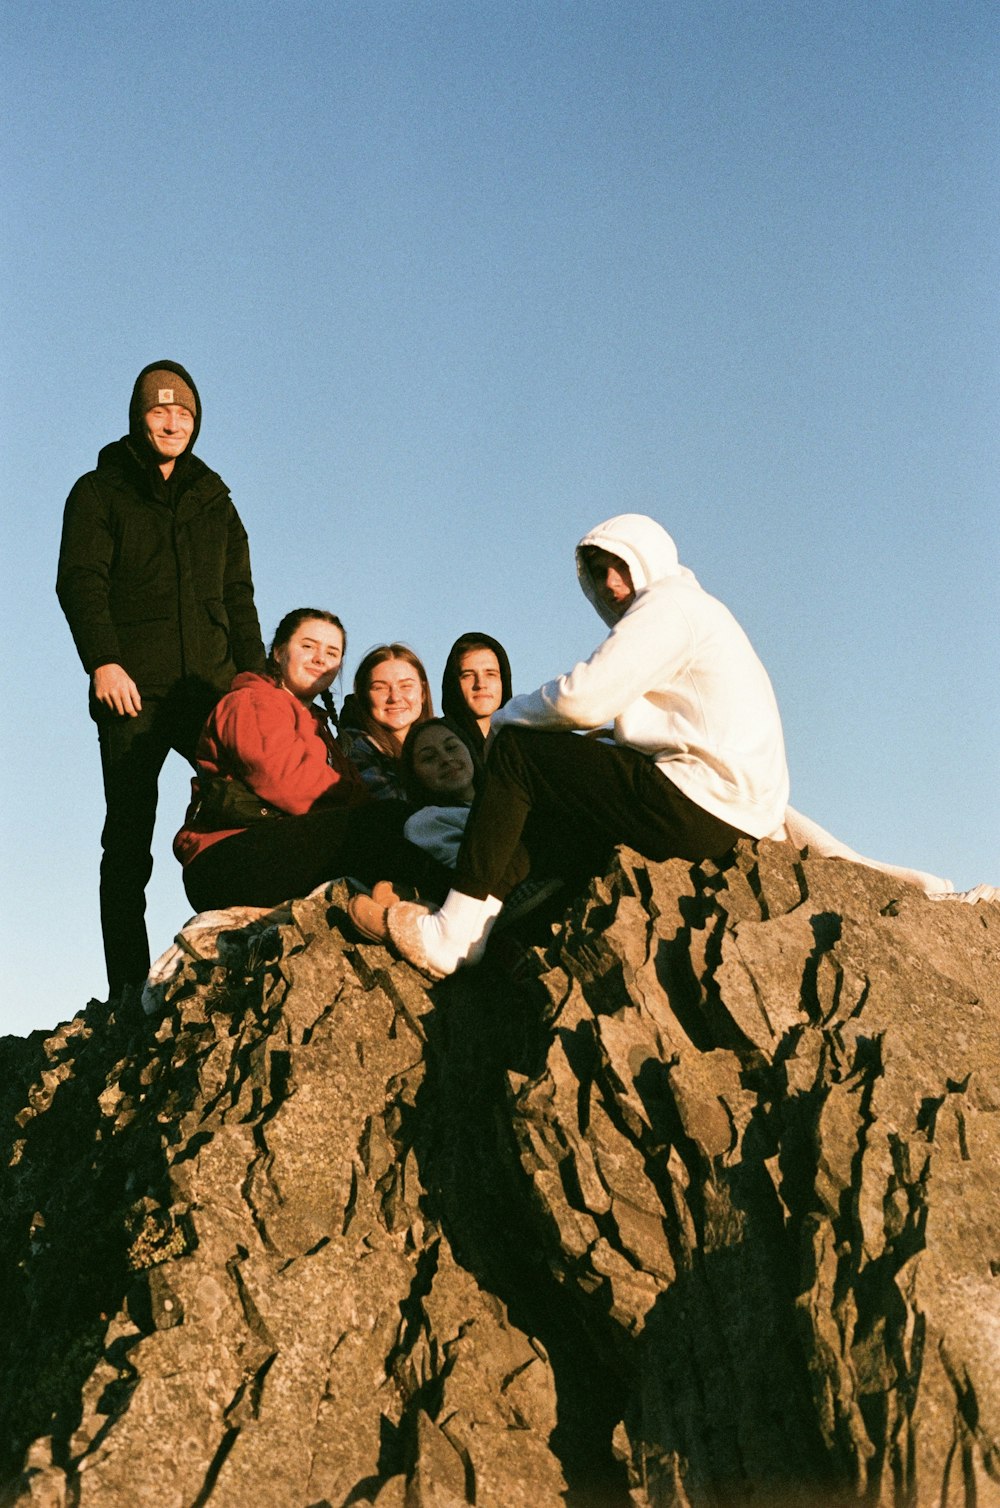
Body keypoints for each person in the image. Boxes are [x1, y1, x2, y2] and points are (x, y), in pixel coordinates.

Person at [385, 514, 791, 978]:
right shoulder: (694, 612)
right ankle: (492, 919)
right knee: (559, 802)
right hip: (729, 819)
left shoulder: (671, 604)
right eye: (597, 573)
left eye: (620, 566)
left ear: (650, 561)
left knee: (520, 749)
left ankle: (453, 933)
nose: (610, 584)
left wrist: (503, 718)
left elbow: (582, 699)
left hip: (703, 807)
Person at [57, 360, 265, 1001]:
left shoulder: (215, 499)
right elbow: (80, 582)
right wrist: (104, 661)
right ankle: (127, 986)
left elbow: (238, 594)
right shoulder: (99, 491)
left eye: (185, 414)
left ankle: (251, 942)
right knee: (129, 837)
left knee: (254, 805)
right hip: (133, 690)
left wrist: (255, 679)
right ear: (138, 417)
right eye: (160, 411)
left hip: (212, 687)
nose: (173, 422)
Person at [174, 611, 449, 912]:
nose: (320, 658)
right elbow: (290, 782)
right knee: (389, 820)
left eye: (332, 653)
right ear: (278, 652)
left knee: (399, 828)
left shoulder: (319, 726)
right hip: (227, 859)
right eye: (308, 646)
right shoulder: (253, 701)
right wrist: (375, 812)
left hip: (272, 851)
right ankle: (458, 918)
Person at [339, 644, 434, 800]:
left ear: (422, 693)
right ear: (364, 696)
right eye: (380, 688)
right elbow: (394, 810)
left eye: (406, 686)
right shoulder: (356, 748)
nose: (395, 697)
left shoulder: (441, 743)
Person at [440, 633, 513, 758]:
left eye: (490, 674)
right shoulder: (438, 741)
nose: (480, 684)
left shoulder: (524, 742)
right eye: (468, 675)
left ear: (503, 681)